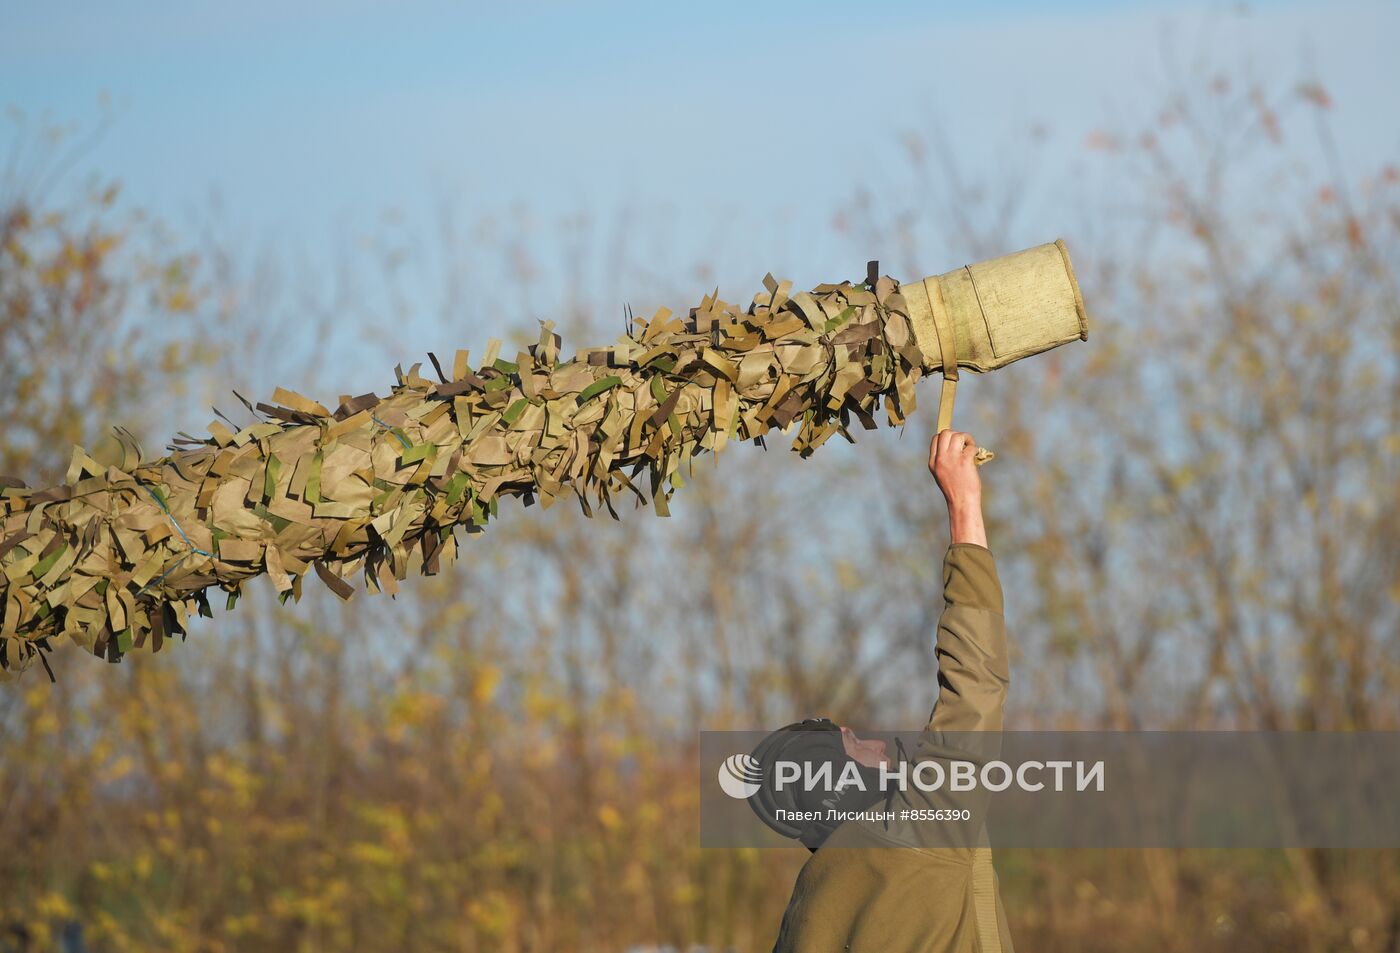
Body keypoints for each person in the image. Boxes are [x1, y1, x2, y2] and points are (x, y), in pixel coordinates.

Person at [749, 429, 1014, 953]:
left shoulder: (809, 903)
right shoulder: (925, 825)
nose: (873, 742)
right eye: (852, 745)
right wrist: (964, 506)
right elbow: (974, 685)